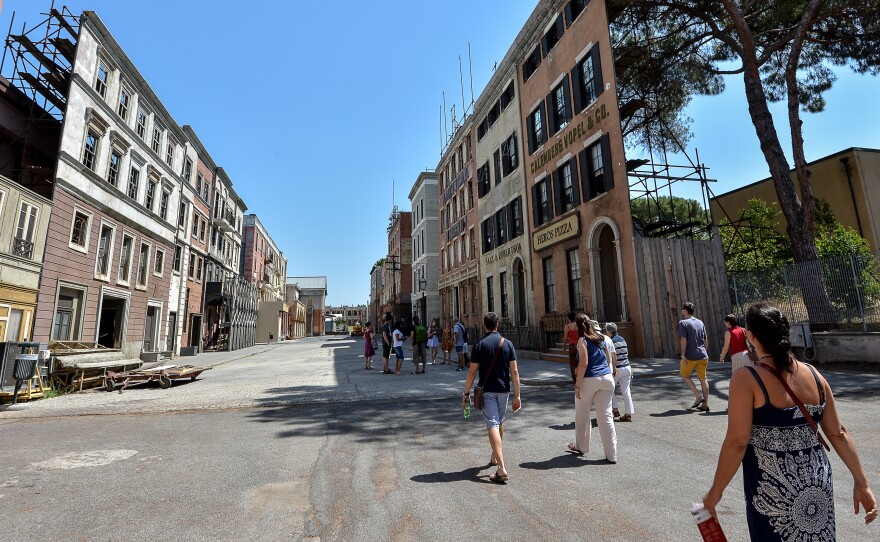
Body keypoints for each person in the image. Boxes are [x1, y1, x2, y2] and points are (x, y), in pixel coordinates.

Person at [703, 303, 877, 539]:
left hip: (774, 488)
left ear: (750, 336)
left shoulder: (747, 378)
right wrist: (862, 483)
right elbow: (838, 433)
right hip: (816, 484)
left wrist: (715, 493)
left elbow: (737, 442)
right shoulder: (815, 375)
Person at [461, 312, 521, 483]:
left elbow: (472, 372)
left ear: (484, 325)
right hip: (504, 390)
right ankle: (495, 455)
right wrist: (517, 395)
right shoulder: (508, 344)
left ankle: (501, 468)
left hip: (487, 391)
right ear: (498, 325)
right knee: (500, 422)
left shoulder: (480, 345)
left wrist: (465, 393)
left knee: (492, 424)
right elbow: (514, 372)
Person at [569, 313, 618, 463]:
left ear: (578, 327)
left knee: (582, 415)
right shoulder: (601, 339)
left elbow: (583, 363)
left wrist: (577, 385)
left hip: (590, 379)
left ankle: (582, 446)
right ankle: (612, 455)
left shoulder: (582, 340)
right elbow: (608, 359)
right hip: (607, 379)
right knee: (606, 417)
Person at [679, 302, 710, 412]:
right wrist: (703, 351)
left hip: (690, 356)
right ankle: (705, 404)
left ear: (686, 310)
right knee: (703, 379)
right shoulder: (700, 322)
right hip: (703, 355)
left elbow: (683, 339)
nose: (681, 310)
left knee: (684, 375)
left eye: (682, 309)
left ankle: (698, 396)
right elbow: (705, 340)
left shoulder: (683, 323)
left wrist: (683, 354)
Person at [607, 322, 634, 422]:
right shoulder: (622, 339)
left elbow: (612, 356)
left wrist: (613, 368)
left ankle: (615, 409)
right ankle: (628, 413)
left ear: (609, 331)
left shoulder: (610, 341)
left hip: (617, 368)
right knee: (626, 391)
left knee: (609, 388)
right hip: (627, 367)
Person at [563, 312, 579, 383]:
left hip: (572, 345)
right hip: (579, 344)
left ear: (569, 318)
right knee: (580, 361)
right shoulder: (578, 325)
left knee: (573, 363)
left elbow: (565, 338)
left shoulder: (567, 326)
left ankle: (575, 379)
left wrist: (564, 346)